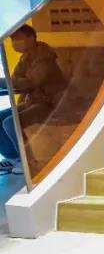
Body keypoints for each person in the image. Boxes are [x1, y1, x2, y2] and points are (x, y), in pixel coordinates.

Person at [0, 24, 66, 176]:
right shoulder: (26, 57)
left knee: (10, 123)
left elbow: (31, 82)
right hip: (33, 101)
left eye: (18, 38)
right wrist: (6, 83)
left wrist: (4, 82)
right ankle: (15, 158)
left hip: (52, 103)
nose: (14, 42)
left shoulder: (44, 56)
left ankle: (28, 162)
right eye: (12, 39)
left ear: (31, 38)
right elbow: (15, 80)